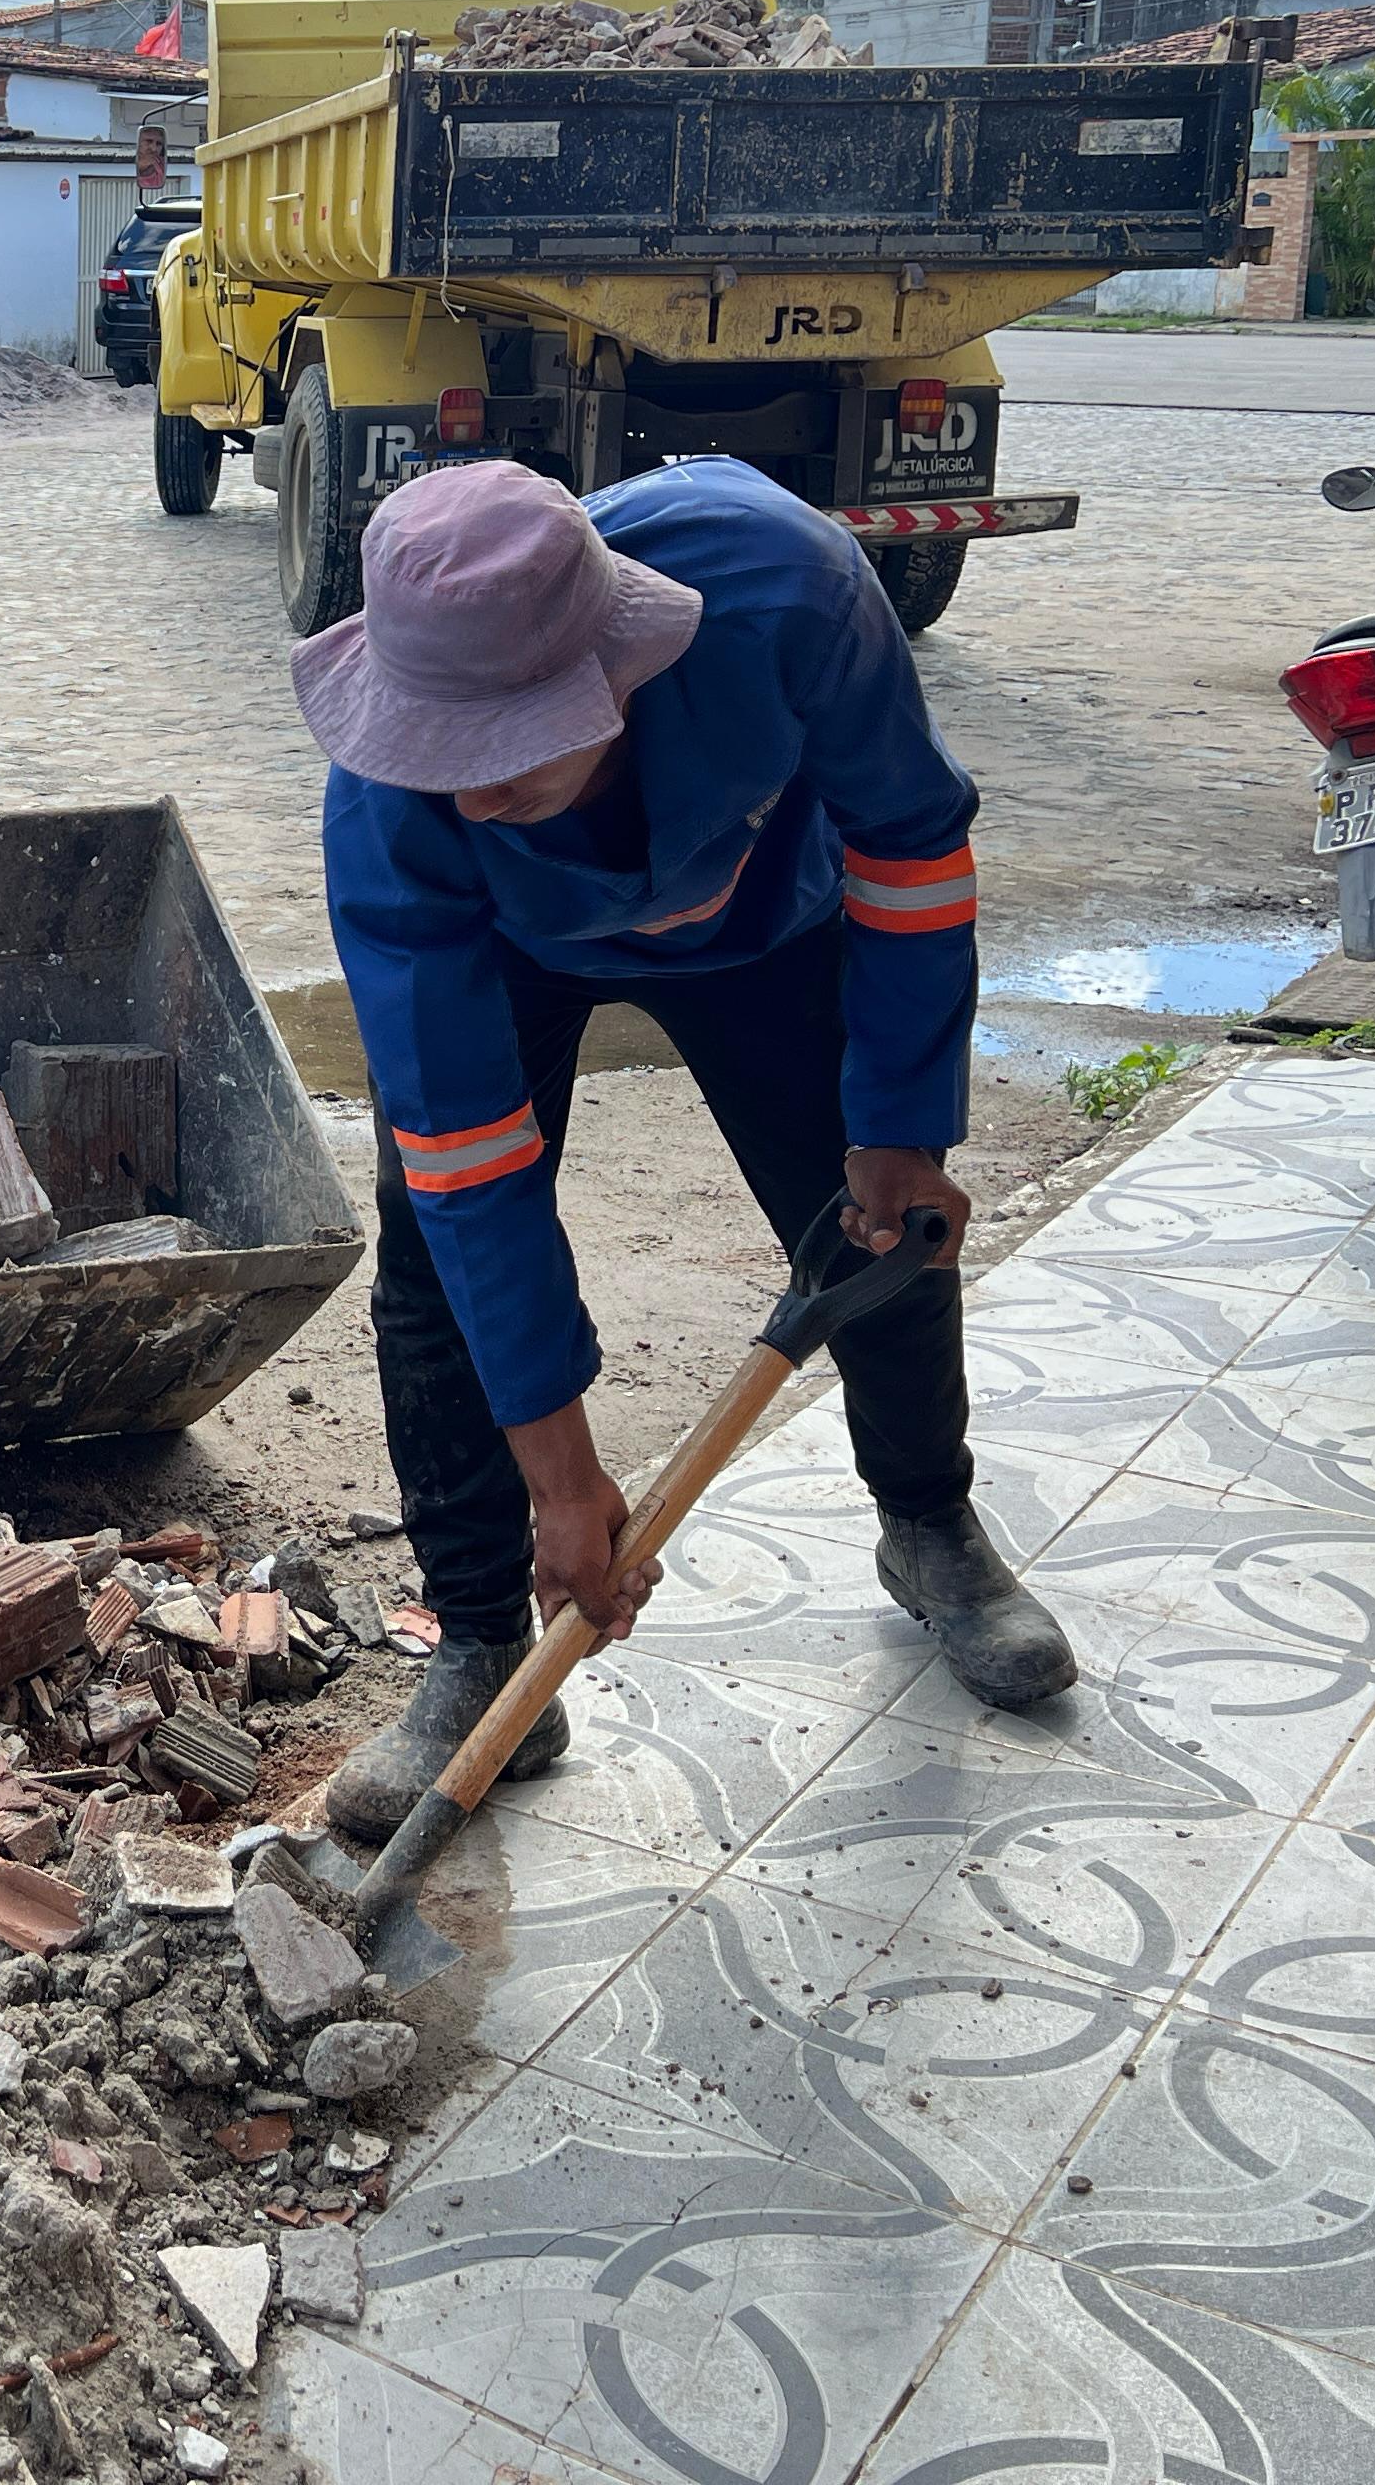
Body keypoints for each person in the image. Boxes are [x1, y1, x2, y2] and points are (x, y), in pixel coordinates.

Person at [301, 455, 1075, 1844]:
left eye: (507, 756)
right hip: (514, 951)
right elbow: (470, 1162)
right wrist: (565, 1481)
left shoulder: (791, 592)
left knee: (876, 1228)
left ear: (620, 665)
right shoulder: (392, 808)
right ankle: (483, 1651)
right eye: (444, 759)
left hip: (764, 920)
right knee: (430, 1261)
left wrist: (901, 1117)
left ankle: (932, 1526)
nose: (467, 799)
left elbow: (909, 841)